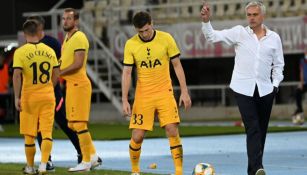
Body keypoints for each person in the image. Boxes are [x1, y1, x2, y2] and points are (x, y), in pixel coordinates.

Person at [200, 1, 284, 175]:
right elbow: (212, 36)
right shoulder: (239, 32)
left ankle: (253, 170)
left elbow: (279, 65)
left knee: (261, 130)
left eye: (255, 14)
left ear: (263, 16)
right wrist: (206, 21)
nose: (251, 18)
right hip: (242, 89)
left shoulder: (274, 38)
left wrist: (275, 86)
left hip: (266, 90)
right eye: (249, 15)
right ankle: (258, 168)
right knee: (252, 126)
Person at [122, 11, 192, 175]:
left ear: (152, 23)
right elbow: (126, 73)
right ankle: (135, 171)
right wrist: (125, 99)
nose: (144, 34)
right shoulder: (130, 44)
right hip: (143, 95)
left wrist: (184, 91)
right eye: (140, 32)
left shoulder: (166, 38)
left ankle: (179, 172)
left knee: (172, 130)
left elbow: (176, 65)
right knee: (137, 136)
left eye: (146, 29)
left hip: (164, 92)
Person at [26, 15, 85, 171]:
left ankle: (82, 153)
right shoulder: (30, 44)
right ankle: (47, 161)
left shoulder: (53, 44)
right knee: (40, 127)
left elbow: (60, 68)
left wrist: (54, 86)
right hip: (37, 94)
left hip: (53, 92)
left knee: (65, 124)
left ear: (39, 27)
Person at [13, 20, 60, 174]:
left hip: (29, 97)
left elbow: (17, 76)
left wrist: (16, 97)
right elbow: (56, 74)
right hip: (47, 96)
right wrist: (49, 87)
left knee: (29, 134)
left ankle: (30, 167)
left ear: (25, 33)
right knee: (47, 133)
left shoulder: (20, 52)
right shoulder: (49, 51)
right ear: (38, 32)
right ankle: (43, 165)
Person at [60, 8, 101, 172]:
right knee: (72, 124)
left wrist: (59, 74)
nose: (65, 22)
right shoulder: (67, 38)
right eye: (63, 19)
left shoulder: (79, 37)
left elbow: (78, 63)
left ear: (76, 21)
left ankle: (85, 162)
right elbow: (63, 60)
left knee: (79, 123)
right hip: (71, 85)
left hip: (79, 85)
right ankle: (93, 157)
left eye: (68, 19)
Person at [292, 52, 307, 124]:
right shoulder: (302, 60)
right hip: (305, 83)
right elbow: (301, 71)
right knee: (297, 92)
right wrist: (301, 83)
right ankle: (300, 109)